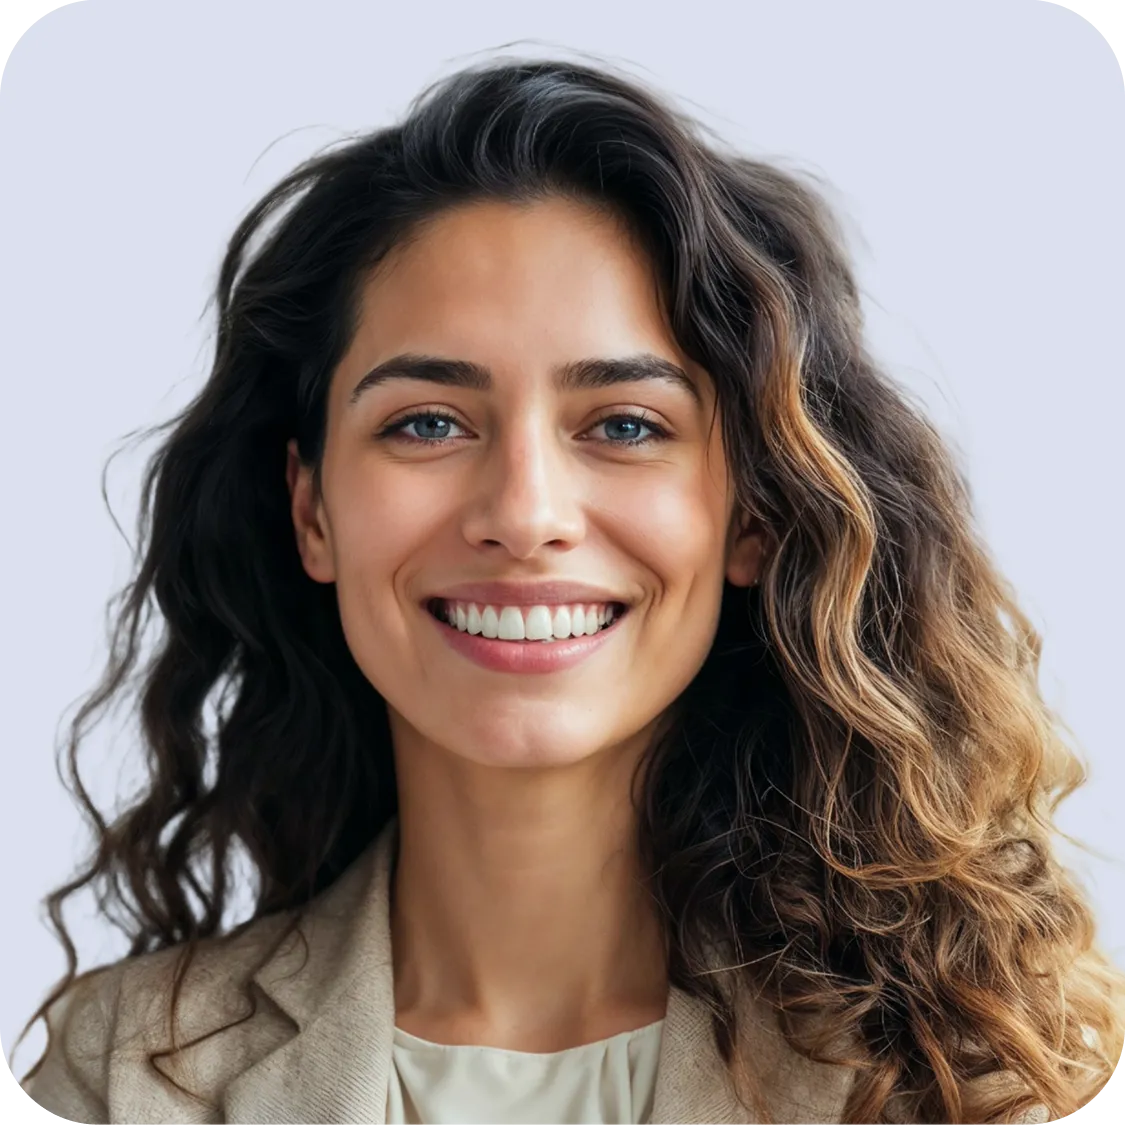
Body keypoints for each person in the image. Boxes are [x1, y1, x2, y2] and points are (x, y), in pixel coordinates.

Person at [11, 53, 1123, 1125]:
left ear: (755, 512)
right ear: (312, 512)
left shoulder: (986, 1071)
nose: (525, 512)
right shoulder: (124, 1076)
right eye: (428, 423)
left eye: (628, 426)